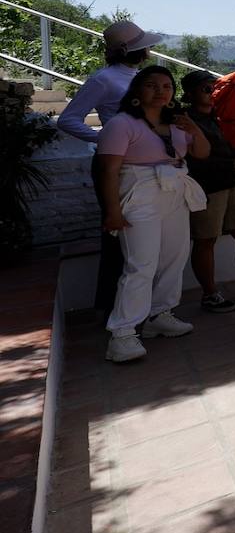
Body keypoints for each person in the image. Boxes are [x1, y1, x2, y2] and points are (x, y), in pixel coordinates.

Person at [96, 66, 211, 361]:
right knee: (141, 264)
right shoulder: (122, 124)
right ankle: (122, 334)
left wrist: (194, 129)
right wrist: (112, 211)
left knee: (175, 256)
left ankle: (160, 314)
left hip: (174, 192)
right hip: (140, 195)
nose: (161, 91)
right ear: (136, 90)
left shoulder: (177, 124)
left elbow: (202, 153)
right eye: (152, 85)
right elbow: (107, 170)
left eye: (166, 86)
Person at [57, 20, 162, 315]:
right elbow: (69, 119)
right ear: (130, 50)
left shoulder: (139, 76)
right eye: (143, 46)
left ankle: (138, 309)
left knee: (141, 239)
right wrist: (104, 136)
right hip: (115, 163)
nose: (148, 50)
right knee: (117, 238)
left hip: (140, 164)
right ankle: (110, 310)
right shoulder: (103, 79)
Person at [181, 70, 235, 313]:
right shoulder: (185, 120)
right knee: (205, 240)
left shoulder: (225, 114)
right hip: (206, 186)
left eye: (213, 86)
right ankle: (210, 293)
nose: (211, 91)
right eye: (205, 87)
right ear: (191, 93)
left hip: (234, 181)